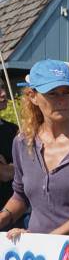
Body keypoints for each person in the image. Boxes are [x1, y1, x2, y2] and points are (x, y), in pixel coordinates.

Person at [0, 60, 69, 236]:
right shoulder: (23, 142)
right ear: (33, 96)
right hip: (37, 255)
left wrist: (51, 239)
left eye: (67, 92)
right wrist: (4, 217)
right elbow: (20, 196)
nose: (62, 100)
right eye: (52, 93)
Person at [0, 86, 17, 230]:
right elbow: (5, 174)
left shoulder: (12, 129)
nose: (4, 93)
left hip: (12, 216)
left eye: (4, 88)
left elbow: (29, 169)